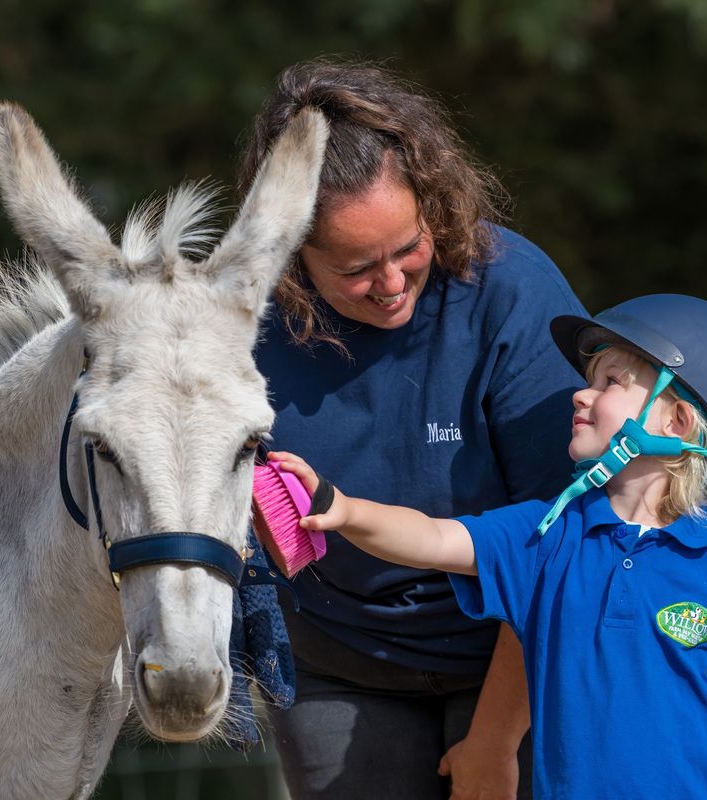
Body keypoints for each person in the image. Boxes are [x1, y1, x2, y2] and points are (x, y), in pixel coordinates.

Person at [270, 294, 707, 799]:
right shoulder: (545, 536)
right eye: (588, 381)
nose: (580, 394)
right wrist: (346, 510)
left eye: (610, 382)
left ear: (676, 423)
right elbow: (432, 538)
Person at [239, 60, 587, 799]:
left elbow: (562, 536)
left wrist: (494, 741)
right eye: (358, 268)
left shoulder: (513, 293)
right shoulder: (245, 322)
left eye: (409, 248)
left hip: (514, 641)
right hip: (337, 654)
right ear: (292, 260)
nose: (393, 283)